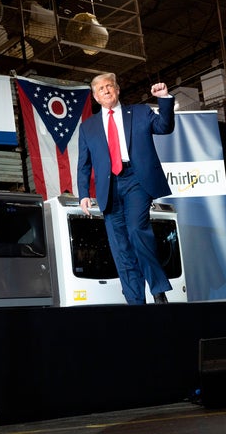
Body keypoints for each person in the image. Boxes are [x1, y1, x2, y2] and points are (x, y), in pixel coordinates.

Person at [77, 72, 175, 305]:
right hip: (108, 187)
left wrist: (164, 98)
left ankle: (158, 289)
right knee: (121, 247)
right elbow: (84, 164)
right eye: (100, 89)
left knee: (136, 230)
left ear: (118, 90)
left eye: (109, 86)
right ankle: (134, 301)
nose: (106, 90)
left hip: (135, 180)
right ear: (95, 97)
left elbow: (164, 126)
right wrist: (83, 194)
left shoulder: (140, 112)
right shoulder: (88, 127)